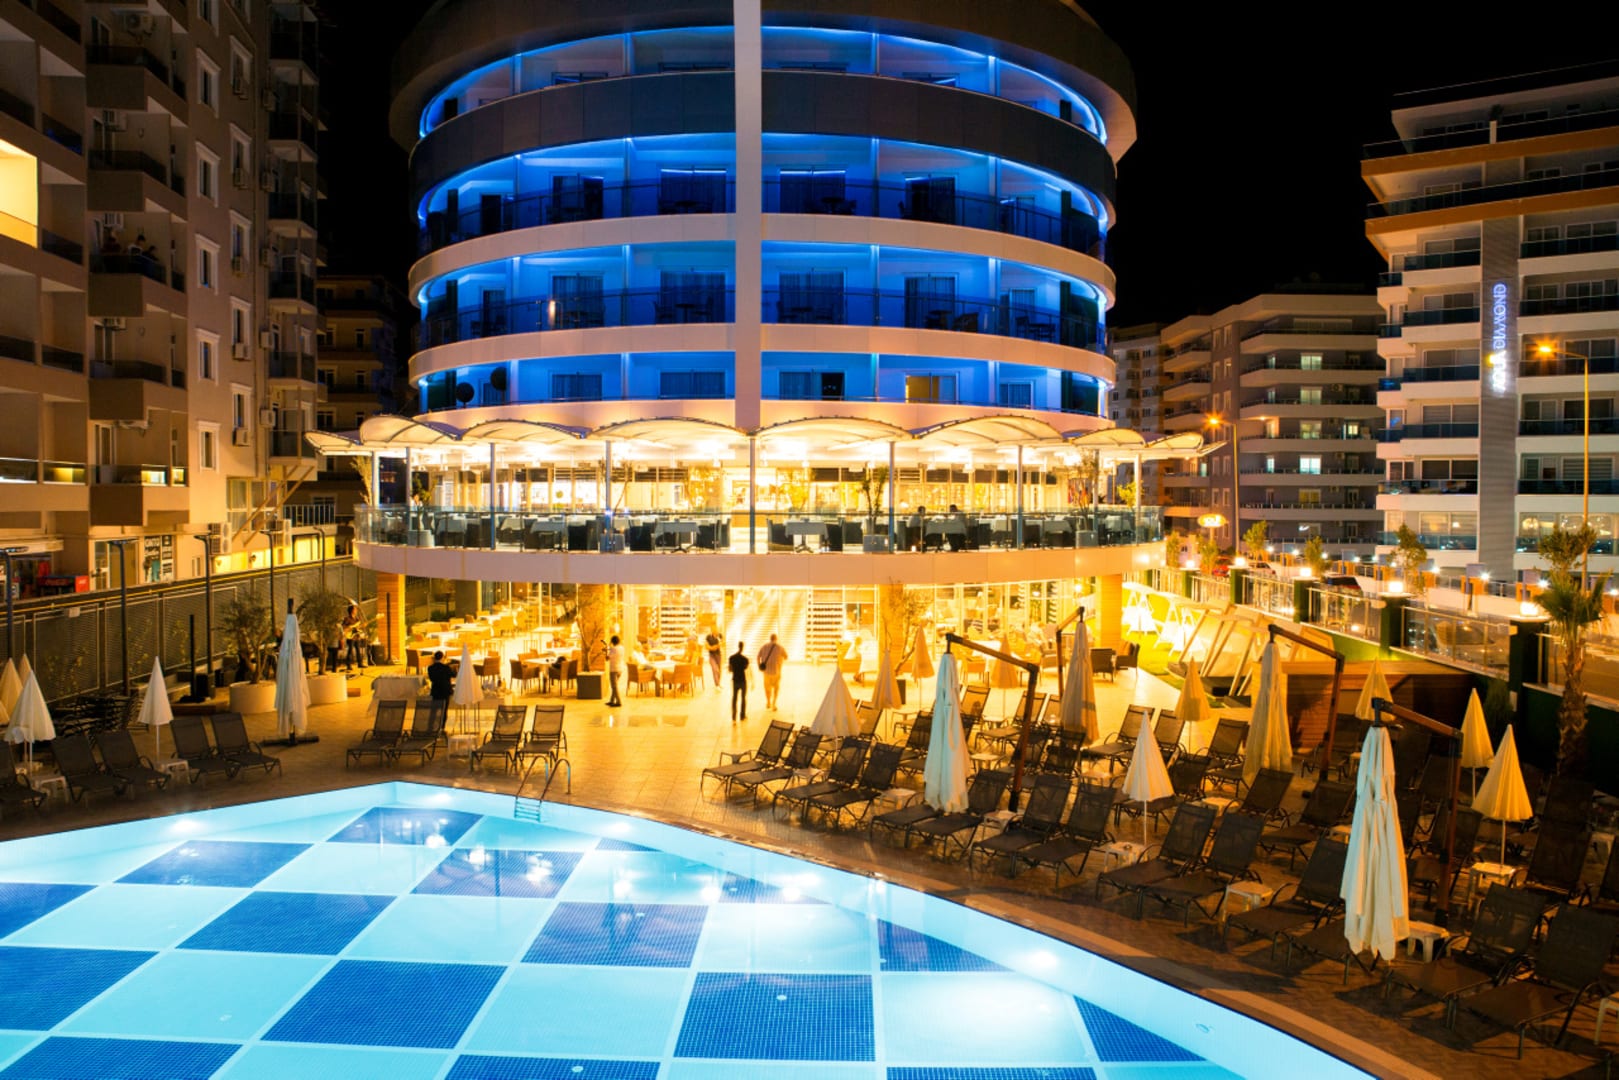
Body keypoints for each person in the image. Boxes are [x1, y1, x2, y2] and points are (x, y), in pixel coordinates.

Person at [757, 634, 787, 710]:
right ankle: (774, 704)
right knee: (776, 688)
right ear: (776, 639)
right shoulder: (780, 647)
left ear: (770, 639)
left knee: (767, 688)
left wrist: (759, 666)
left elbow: (758, 657)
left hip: (766, 672)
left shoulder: (764, 646)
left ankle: (768, 702)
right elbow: (786, 657)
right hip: (776, 672)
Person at [728, 641, 750, 722]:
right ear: (743, 647)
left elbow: (730, 669)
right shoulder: (745, 659)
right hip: (743, 680)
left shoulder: (731, 658)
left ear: (738, 646)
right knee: (743, 698)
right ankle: (742, 716)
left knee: (734, 698)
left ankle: (734, 717)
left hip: (735, 680)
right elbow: (746, 668)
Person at [342, 604, 365, 671]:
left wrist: (361, 628)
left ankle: (360, 663)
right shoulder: (347, 618)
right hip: (350, 637)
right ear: (352, 610)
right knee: (350, 650)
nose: (356, 610)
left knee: (358, 650)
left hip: (356, 636)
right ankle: (348, 665)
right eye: (355, 609)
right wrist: (350, 627)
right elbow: (343, 627)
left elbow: (357, 628)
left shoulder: (357, 619)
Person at [605, 634, 625, 707]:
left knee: (614, 687)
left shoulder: (613, 649)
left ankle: (619, 702)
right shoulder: (622, 648)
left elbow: (607, 658)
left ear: (612, 641)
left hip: (614, 669)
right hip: (620, 669)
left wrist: (607, 650)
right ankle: (612, 700)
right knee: (615, 686)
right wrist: (610, 647)